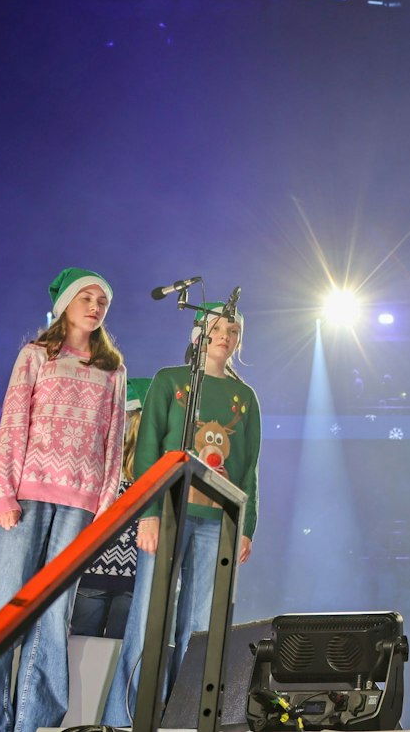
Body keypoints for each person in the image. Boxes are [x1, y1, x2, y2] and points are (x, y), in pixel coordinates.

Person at [0, 269, 130, 732]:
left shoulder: (114, 368)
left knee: (55, 616)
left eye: (102, 301)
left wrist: (106, 508)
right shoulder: (35, 356)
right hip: (26, 497)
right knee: (4, 609)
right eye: (86, 297)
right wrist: (4, 493)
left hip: (81, 505)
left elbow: (115, 445)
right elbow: (12, 424)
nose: (95, 306)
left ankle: (36, 722)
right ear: (66, 302)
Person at [103, 304, 261, 723]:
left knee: (198, 628)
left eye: (233, 329)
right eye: (216, 326)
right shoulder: (169, 381)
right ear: (197, 334)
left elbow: (248, 469)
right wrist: (150, 512)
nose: (225, 334)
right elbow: (148, 452)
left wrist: (246, 525)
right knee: (149, 618)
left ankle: (182, 717)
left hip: (218, 524)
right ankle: (123, 719)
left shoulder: (244, 398)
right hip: (169, 513)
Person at [71, 377, 150, 638]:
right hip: (134, 576)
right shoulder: (156, 468)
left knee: (80, 649)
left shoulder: (99, 457)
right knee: (117, 658)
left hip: (92, 570)